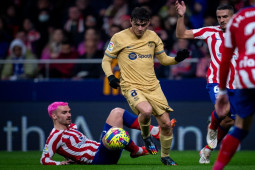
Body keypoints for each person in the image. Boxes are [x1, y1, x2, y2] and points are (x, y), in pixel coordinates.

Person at [102, 7, 189, 165]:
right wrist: (110, 76)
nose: (140, 28)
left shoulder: (153, 36)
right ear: (131, 22)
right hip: (131, 85)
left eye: (144, 25)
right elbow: (106, 60)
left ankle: (165, 156)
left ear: (149, 23)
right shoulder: (119, 37)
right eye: (137, 25)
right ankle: (146, 135)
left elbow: (163, 60)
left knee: (166, 125)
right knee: (146, 110)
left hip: (153, 86)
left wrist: (177, 59)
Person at [175, 1, 237, 164]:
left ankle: (207, 149)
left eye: (225, 17)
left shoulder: (244, 34)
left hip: (237, 84)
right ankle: (212, 125)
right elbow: (182, 34)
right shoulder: (210, 32)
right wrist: (181, 16)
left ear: (233, 17)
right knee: (223, 110)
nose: (221, 20)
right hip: (216, 81)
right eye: (219, 17)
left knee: (229, 120)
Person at [40, 102, 174, 165]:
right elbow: (44, 159)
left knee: (117, 111)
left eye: (69, 111)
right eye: (64, 113)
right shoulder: (55, 137)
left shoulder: (72, 127)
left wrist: (74, 159)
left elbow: (76, 149)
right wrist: (60, 164)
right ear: (54, 116)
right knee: (117, 134)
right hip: (99, 160)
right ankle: (137, 151)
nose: (69, 115)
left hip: (102, 149)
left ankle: (154, 131)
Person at [213, 2, 255, 170]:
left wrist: (222, 91)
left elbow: (225, 59)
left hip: (245, 76)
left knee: (241, 127)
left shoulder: (237, 20)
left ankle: (217, 168)